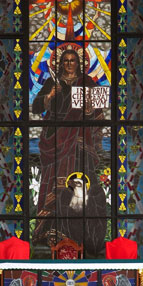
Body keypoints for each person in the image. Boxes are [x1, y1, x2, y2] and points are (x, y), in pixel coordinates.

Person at [31, 43, 107, 254]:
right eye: (65, 60)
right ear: (59, 63)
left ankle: (82, 232)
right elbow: (36, 107)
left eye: (73, 60)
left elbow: (98, 112)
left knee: (81, 179)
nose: (69, 64)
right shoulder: (51, 82)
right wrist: (48, 97)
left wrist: (90, 108)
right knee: (54, 180)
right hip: (55, 140)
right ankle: (49, 231)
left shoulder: (87, 83)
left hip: (79, 140)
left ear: (80, 63)